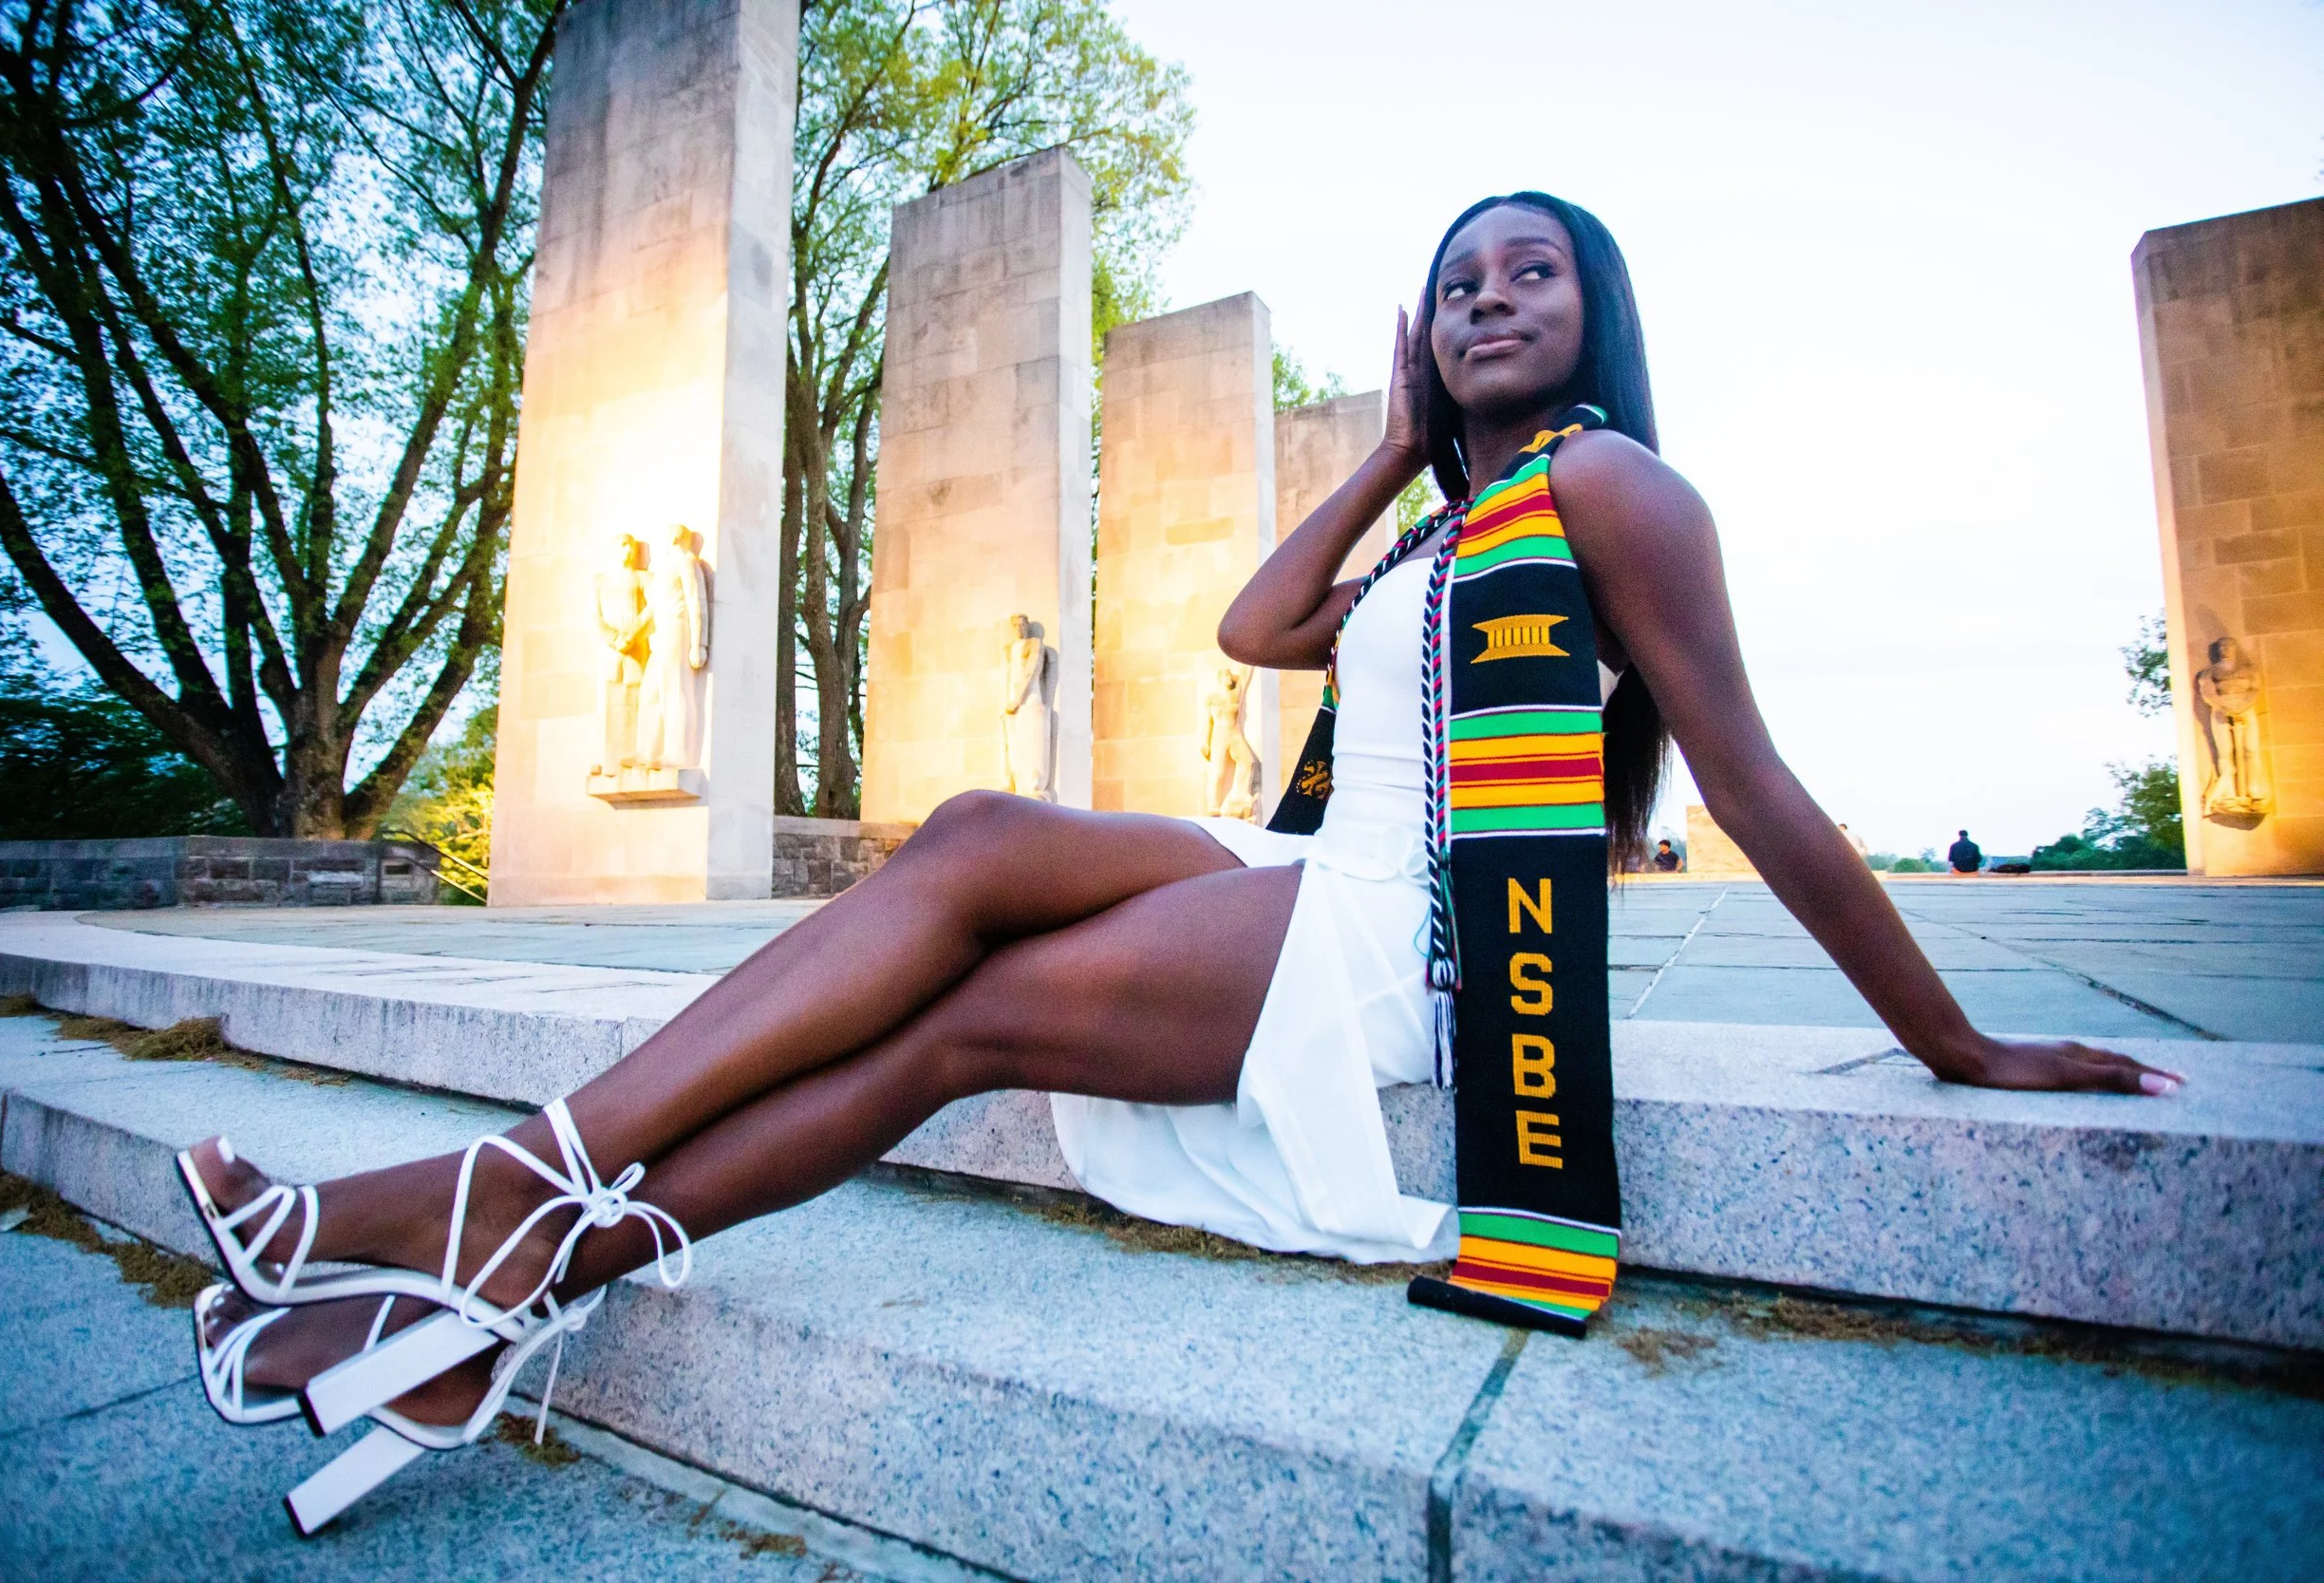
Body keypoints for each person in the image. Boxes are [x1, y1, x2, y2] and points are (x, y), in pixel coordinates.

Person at [178, 192, 2186, 1528]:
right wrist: (1399, 440)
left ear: (1597, 321)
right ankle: (502, 1235)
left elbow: (1744, 776)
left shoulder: (1614, 487)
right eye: (1459, 277)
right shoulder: (1445, 521)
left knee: (962, 1018)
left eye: (1531, 275)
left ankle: (487, 1222)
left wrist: (1963, 1038)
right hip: (1299, 861)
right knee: (971, 833)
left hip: (1411, 932)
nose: (1489, 296)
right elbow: (1255, 625)